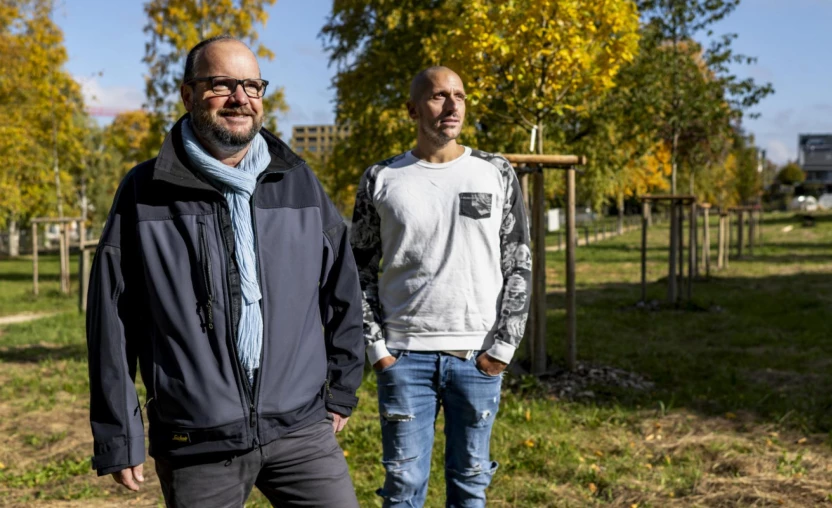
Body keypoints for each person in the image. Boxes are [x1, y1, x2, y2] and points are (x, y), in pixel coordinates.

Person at [86, 35, 364, 508]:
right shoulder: (144, 192)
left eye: (252, 85)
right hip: (196, 440)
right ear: (188, 95)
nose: (240, 98)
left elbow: (343, 288)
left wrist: (341, 389)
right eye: (222, 84)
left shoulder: (298, 182)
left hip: (301, 430)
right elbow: (111, 322)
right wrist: (118, 433)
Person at [351, 66, 532, 507]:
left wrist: (502, 349)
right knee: (403, 489)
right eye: (438, 96)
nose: (452, 106)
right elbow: (358, 272)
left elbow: (519, 262)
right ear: (412, 109)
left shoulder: (494, 171)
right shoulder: (381, 178)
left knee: (470, 486)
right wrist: (379, 351)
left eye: (460, 96)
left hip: (477, 356)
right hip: (404, 358)